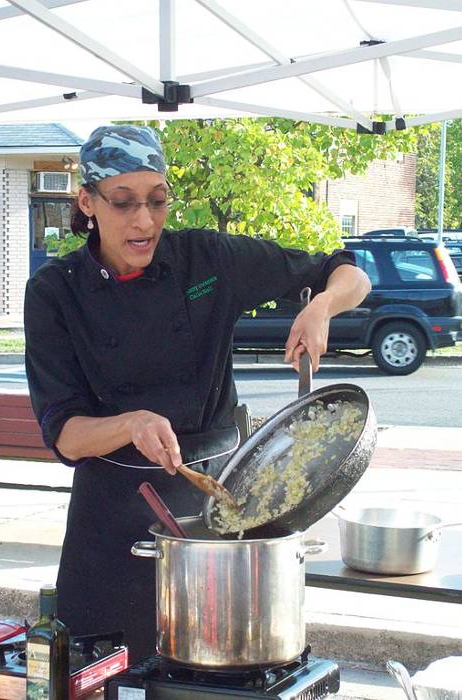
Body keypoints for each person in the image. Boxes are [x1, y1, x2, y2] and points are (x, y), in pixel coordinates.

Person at [24, 124, 371, 663]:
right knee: (99, 677)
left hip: (216, 516)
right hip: (108, 522)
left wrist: (322, 305)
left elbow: (346, 271)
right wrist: (131, 423)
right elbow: (66, 434)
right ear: (87, 202)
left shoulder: (206, 261)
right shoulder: (54, 292)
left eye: (157, 201)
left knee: (212, 674)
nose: (144, 221)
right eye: (123, 204)